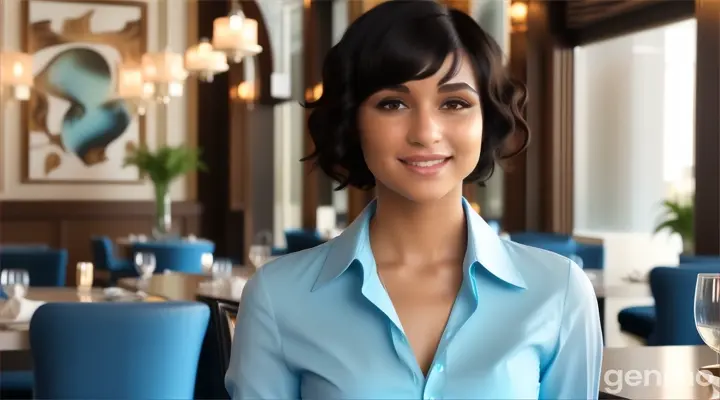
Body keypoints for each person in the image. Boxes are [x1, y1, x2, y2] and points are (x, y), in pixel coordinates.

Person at [225, 1, 603, 399]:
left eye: (454, 103)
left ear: (485, 120)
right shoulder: (276, 297)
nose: (425, 132)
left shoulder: (558, 293)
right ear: (353, 122)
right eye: (393, 103)